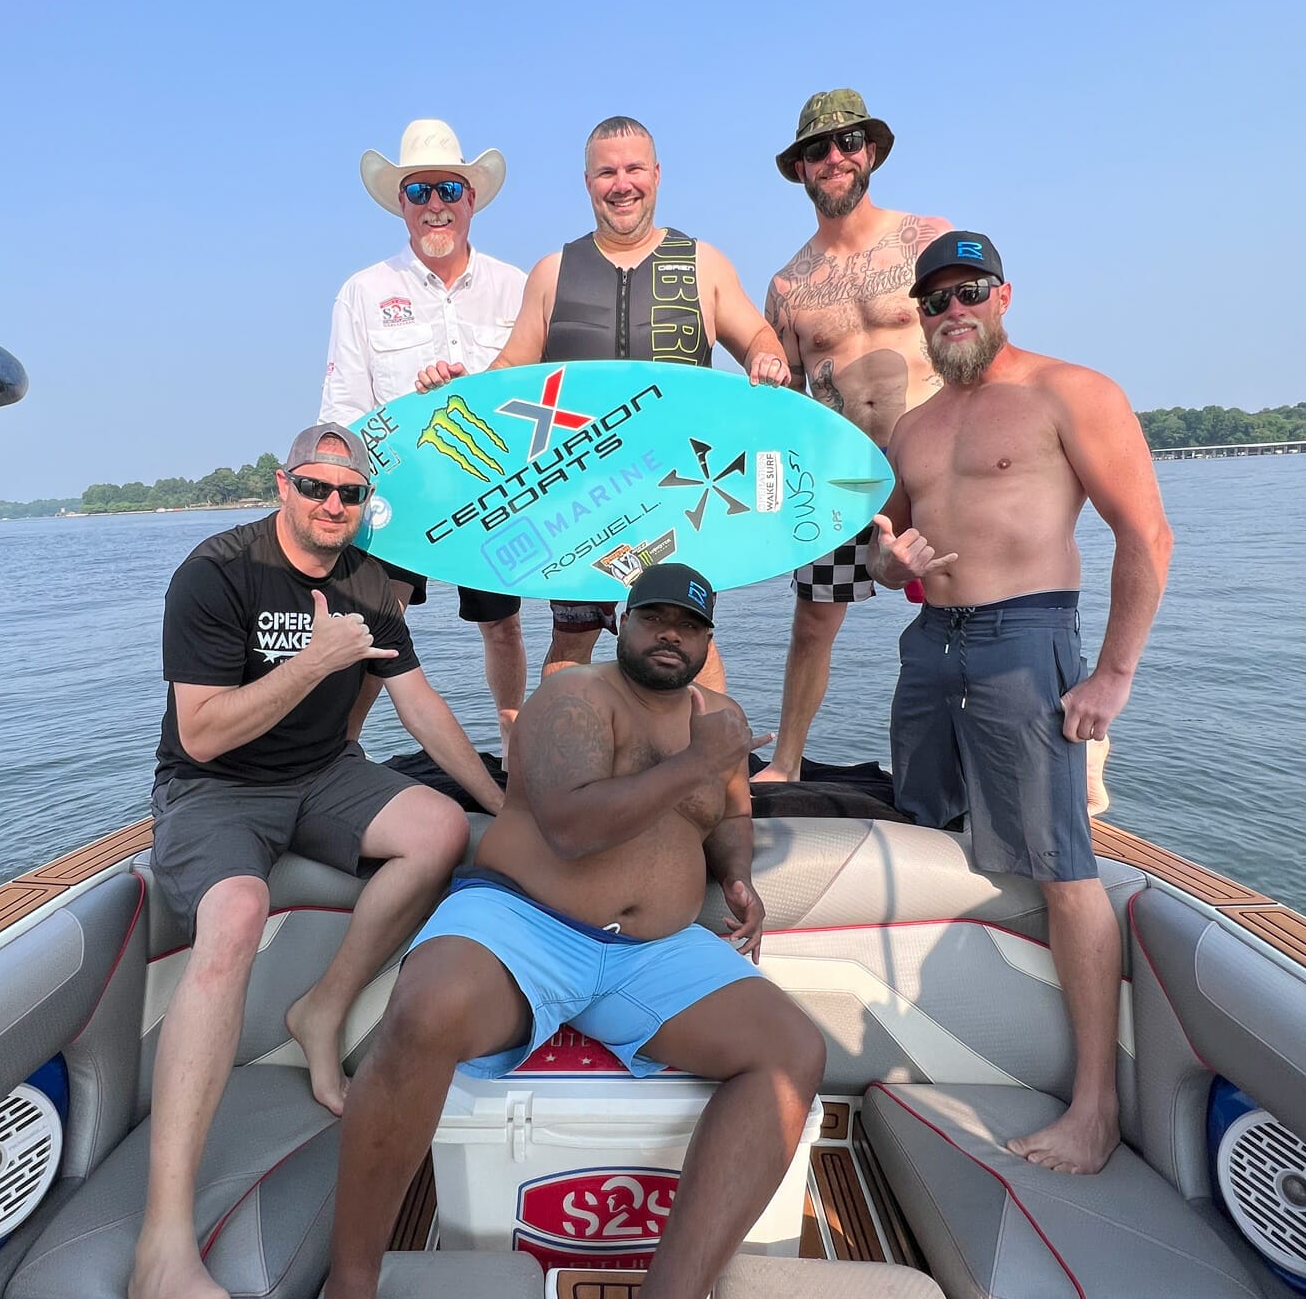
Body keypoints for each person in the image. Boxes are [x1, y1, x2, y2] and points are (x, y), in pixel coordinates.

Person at [282, 563, 825, 1299]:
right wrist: (705, 757)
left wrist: (736, 874)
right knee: (430, 1008)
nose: (669, 636)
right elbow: (573, 825)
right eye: (653, 617)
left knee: (792, 1051)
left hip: (649, 956)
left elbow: (724, 818)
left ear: (706, 638)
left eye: (688, 625)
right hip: (523, 921)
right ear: (622, 623)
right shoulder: (574, 695)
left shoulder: (715, 724)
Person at [129, 424, 504, 1299]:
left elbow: (418, 703)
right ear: (282, 483)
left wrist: (505, 806)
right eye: (315, 487)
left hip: (325, 775)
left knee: (439, 831)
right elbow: (204, 735)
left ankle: (321, 1009)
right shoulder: (216, 572)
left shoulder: (371, 580)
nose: (332, 506)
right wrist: (320, 660)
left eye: (348, 492)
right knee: (236, 914)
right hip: (214, 790)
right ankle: (163, 1241)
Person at [868, 231, 1173, 1175]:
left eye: (969, 291)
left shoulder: (1070, 392)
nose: (951, 310)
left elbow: (1147, 536)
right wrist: (893, 563)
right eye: (934, 299)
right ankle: (960, 1029)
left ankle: (1093, 1104)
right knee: (928, 825)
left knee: (1062, 865)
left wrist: (1114, 673)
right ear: (919, 316)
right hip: (932, 648)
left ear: (1004, 295)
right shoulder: (914, 428)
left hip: (1027, 639)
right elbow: (889, 560)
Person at [417, 115, 792, 686]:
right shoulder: (552, 273)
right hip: (580, 497)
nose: (622, 184)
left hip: (680, 493)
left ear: (658, 175)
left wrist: (767, 356)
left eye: (634, 169)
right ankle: (559, 767)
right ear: (588, 182)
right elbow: (510, 372)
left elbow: (758, 337)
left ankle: (714, 771)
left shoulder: (702, 265)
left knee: (685, 635)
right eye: (606, 173)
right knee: (572, 640)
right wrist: (455, 393)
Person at [754, 90, 950, 783]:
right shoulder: (786, 286)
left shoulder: (926, 239)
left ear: (870, 153)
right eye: (817, 150)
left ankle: (1030, 757)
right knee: (813, 621)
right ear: (801, 170)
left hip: (936, 467)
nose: (833, 159)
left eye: (846, 144)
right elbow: (783, 404)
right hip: (844, 478)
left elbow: (975, 339)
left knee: (973, 608)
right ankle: (785, 760)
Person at [320, 119, 529, 754]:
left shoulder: (518, 286)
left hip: (496, 489)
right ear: (401, 206)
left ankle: (516, 752)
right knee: (377, 628)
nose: (434, 205)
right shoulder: (362, 292)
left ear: (471, 199)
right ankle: (338, 753)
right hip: (396, 495)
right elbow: (343, 409)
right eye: (418, 192)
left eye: (447, 190)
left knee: (504, 626)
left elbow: (539, 397)